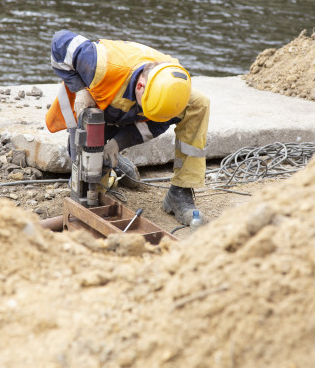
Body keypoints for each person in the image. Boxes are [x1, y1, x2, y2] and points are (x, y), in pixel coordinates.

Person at [45, 29, 209, 225]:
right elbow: (59, 41)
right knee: (84, 173)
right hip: (89, 106)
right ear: (140, 87)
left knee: (199, 103)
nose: (148, 118)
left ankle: (180, 191)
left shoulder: (172, 90)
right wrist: (79, 89)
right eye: (148, 110)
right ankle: (110, 166)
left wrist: (117, 143)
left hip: (123, 110)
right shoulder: (98, 64)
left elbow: (154, 125)